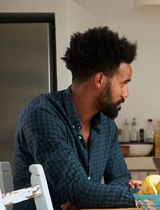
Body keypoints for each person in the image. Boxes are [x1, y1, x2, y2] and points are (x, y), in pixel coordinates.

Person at [14, 26, 138, 210]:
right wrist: (85, 195)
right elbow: (80, 191)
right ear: (99, 80)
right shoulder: (42, 114)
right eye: (123, 84)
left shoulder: (106, 125)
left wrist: (88, 197)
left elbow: (120, 179)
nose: (126, 93)